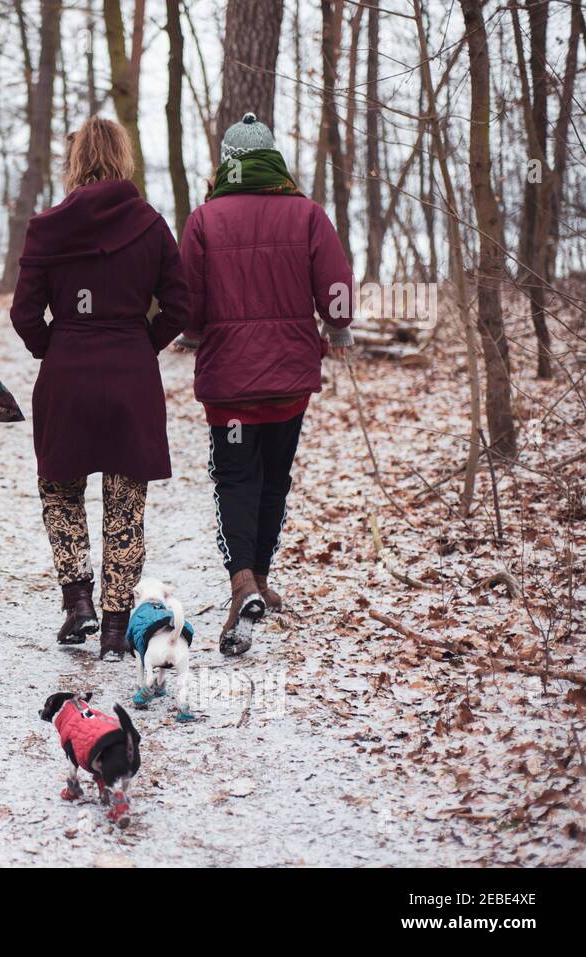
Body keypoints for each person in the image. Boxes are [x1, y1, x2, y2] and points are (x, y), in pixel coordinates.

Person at [174, 112, 355, 656]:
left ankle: (243, 581)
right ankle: (258, 579)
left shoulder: (205, 219)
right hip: (287, 380)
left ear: (228, 162)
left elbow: (189, 301)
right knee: (275, 478)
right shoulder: (306, 215)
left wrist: (192, 333)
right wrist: (339, 328)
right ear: (272, 158)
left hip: (230, 386)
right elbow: (338, 287)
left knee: (235, 478)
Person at [10, 117, 190, 659]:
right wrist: (142, 343)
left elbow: (24, 313)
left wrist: (56, 347)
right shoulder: (151, 225)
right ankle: (114, 629)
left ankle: (78, 604)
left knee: (61, 491)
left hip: (67, 374)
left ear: (76, 160)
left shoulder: (47, 226)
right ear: (122, 157)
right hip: (131, 375)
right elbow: (181, 307)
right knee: (125, 506)